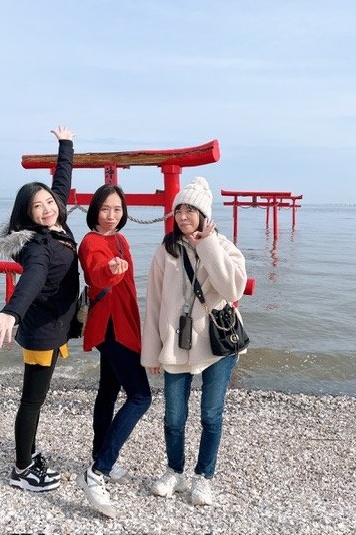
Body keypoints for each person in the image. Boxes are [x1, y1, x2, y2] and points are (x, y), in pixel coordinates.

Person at [141, 177, 248, 506]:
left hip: (217, 347)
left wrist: (208, 244)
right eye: (179, 210)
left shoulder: (222, 246)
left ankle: (204, 477)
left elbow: (233, 290)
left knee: (210, 415)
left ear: (204, 215)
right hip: (175, 345)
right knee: (174, 417)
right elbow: (154, 303)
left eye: (191, 210)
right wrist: (150, 354)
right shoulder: (166, 250)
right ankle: (175, 471)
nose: (184, 216)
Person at [0, 125, 78, 493]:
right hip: (41, 332)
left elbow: (61, 182)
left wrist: (65, 145)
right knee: (32, 401)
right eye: (37, 206)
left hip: (53, 326)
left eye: (49, 203)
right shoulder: (38, 245)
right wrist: (11, 312)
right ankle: (22, 469)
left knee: (36, 399)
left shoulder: (57, 220)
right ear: (25, 214)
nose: (47, 208)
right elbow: (32, 280)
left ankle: (29, 454)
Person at [76, 184, 152, 519]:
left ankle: (99, 455)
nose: (111, 215)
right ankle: (97, 471)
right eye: (105, 209)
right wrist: (110, 270)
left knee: (108, 392)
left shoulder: (122, 240)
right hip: (109, 328)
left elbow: (131, 288)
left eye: (117, 209)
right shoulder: (90, 241)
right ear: (95, 210)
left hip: (125, 323)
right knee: (141, 396)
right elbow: (95, 270)